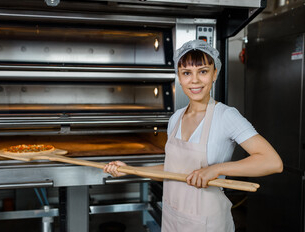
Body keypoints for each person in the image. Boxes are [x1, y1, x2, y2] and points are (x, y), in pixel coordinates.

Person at [103, 39, 283, 232]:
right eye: (187, 73)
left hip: (207, 222)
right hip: (173, 217)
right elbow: (173, 169)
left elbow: (272, 162)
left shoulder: (226, 116)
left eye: (203, 71)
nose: (195, 80)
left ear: (215, 73)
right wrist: (129, 169)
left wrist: (215, 169)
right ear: (179, 78)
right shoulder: (176, 118)